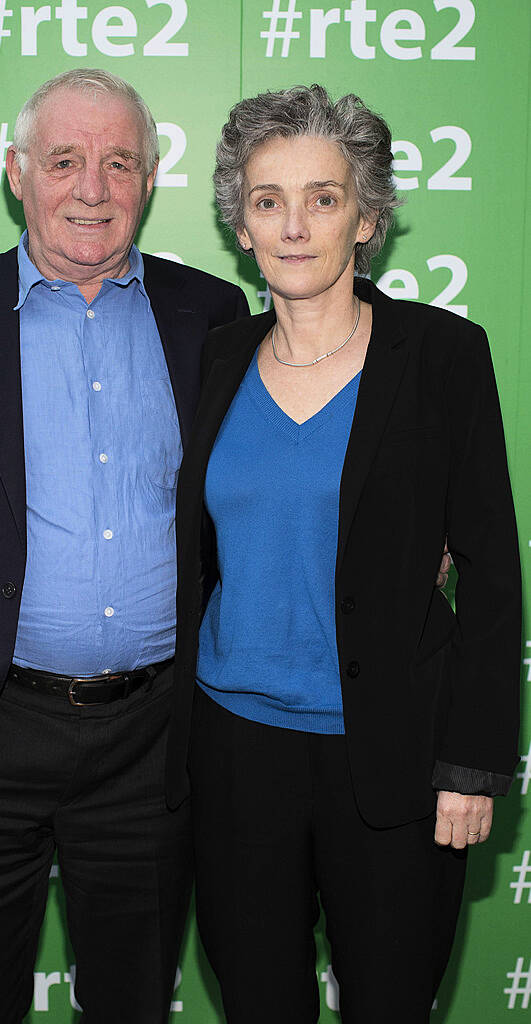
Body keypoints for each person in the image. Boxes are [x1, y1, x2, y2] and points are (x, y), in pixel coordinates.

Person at [0, 68, 248, 1023]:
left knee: (133, 1007)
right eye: (65, 161)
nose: (93, 189)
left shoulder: (213, 318)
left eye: (119, 162)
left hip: (153, 748)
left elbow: (246, 505)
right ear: (17, 173)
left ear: (151, 179)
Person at [166, 84, 521, 1023]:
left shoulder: (441, 354)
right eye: (266, 200)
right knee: (257, 1005)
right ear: (239, 224)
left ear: (366, 217)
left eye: (323, 198)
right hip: (234, 756)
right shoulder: (216, 358)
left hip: (395, 763)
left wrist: (472, 765)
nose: (293, 225)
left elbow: (490, 570)